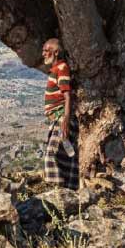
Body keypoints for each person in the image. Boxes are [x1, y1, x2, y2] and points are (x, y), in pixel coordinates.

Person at [42, 38, 79, 189]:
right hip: (57, 118)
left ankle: (57, 190)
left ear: (56, 52)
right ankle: (69, 187)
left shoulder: (62, 68)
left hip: (61, 118)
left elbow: (67, 96)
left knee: (52, 155)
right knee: (65, 155)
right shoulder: (56, 69)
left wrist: (65, 120)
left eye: (46, 50)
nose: (43, 54)